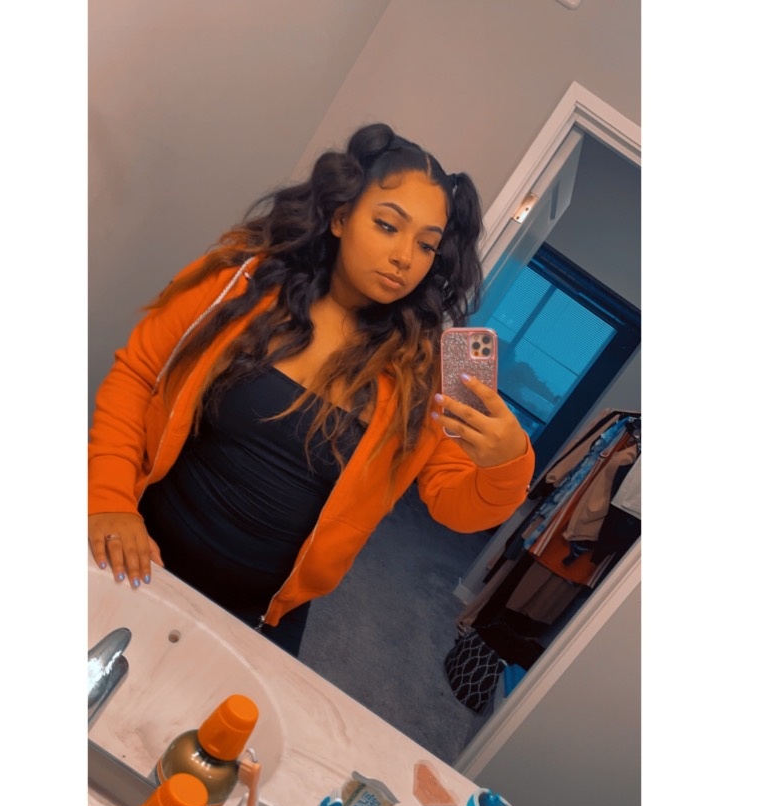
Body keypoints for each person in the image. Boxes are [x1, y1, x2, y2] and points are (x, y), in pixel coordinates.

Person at [88, 123, 535, 656]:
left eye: (426, 245)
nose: (405, 257)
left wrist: (508, 463)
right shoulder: (240, 283)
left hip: (257, 620)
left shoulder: (428, 374)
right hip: (136, 554)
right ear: (341, 217)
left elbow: (456, 507)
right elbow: (139, 373)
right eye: (387, 225)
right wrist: (110, 501)